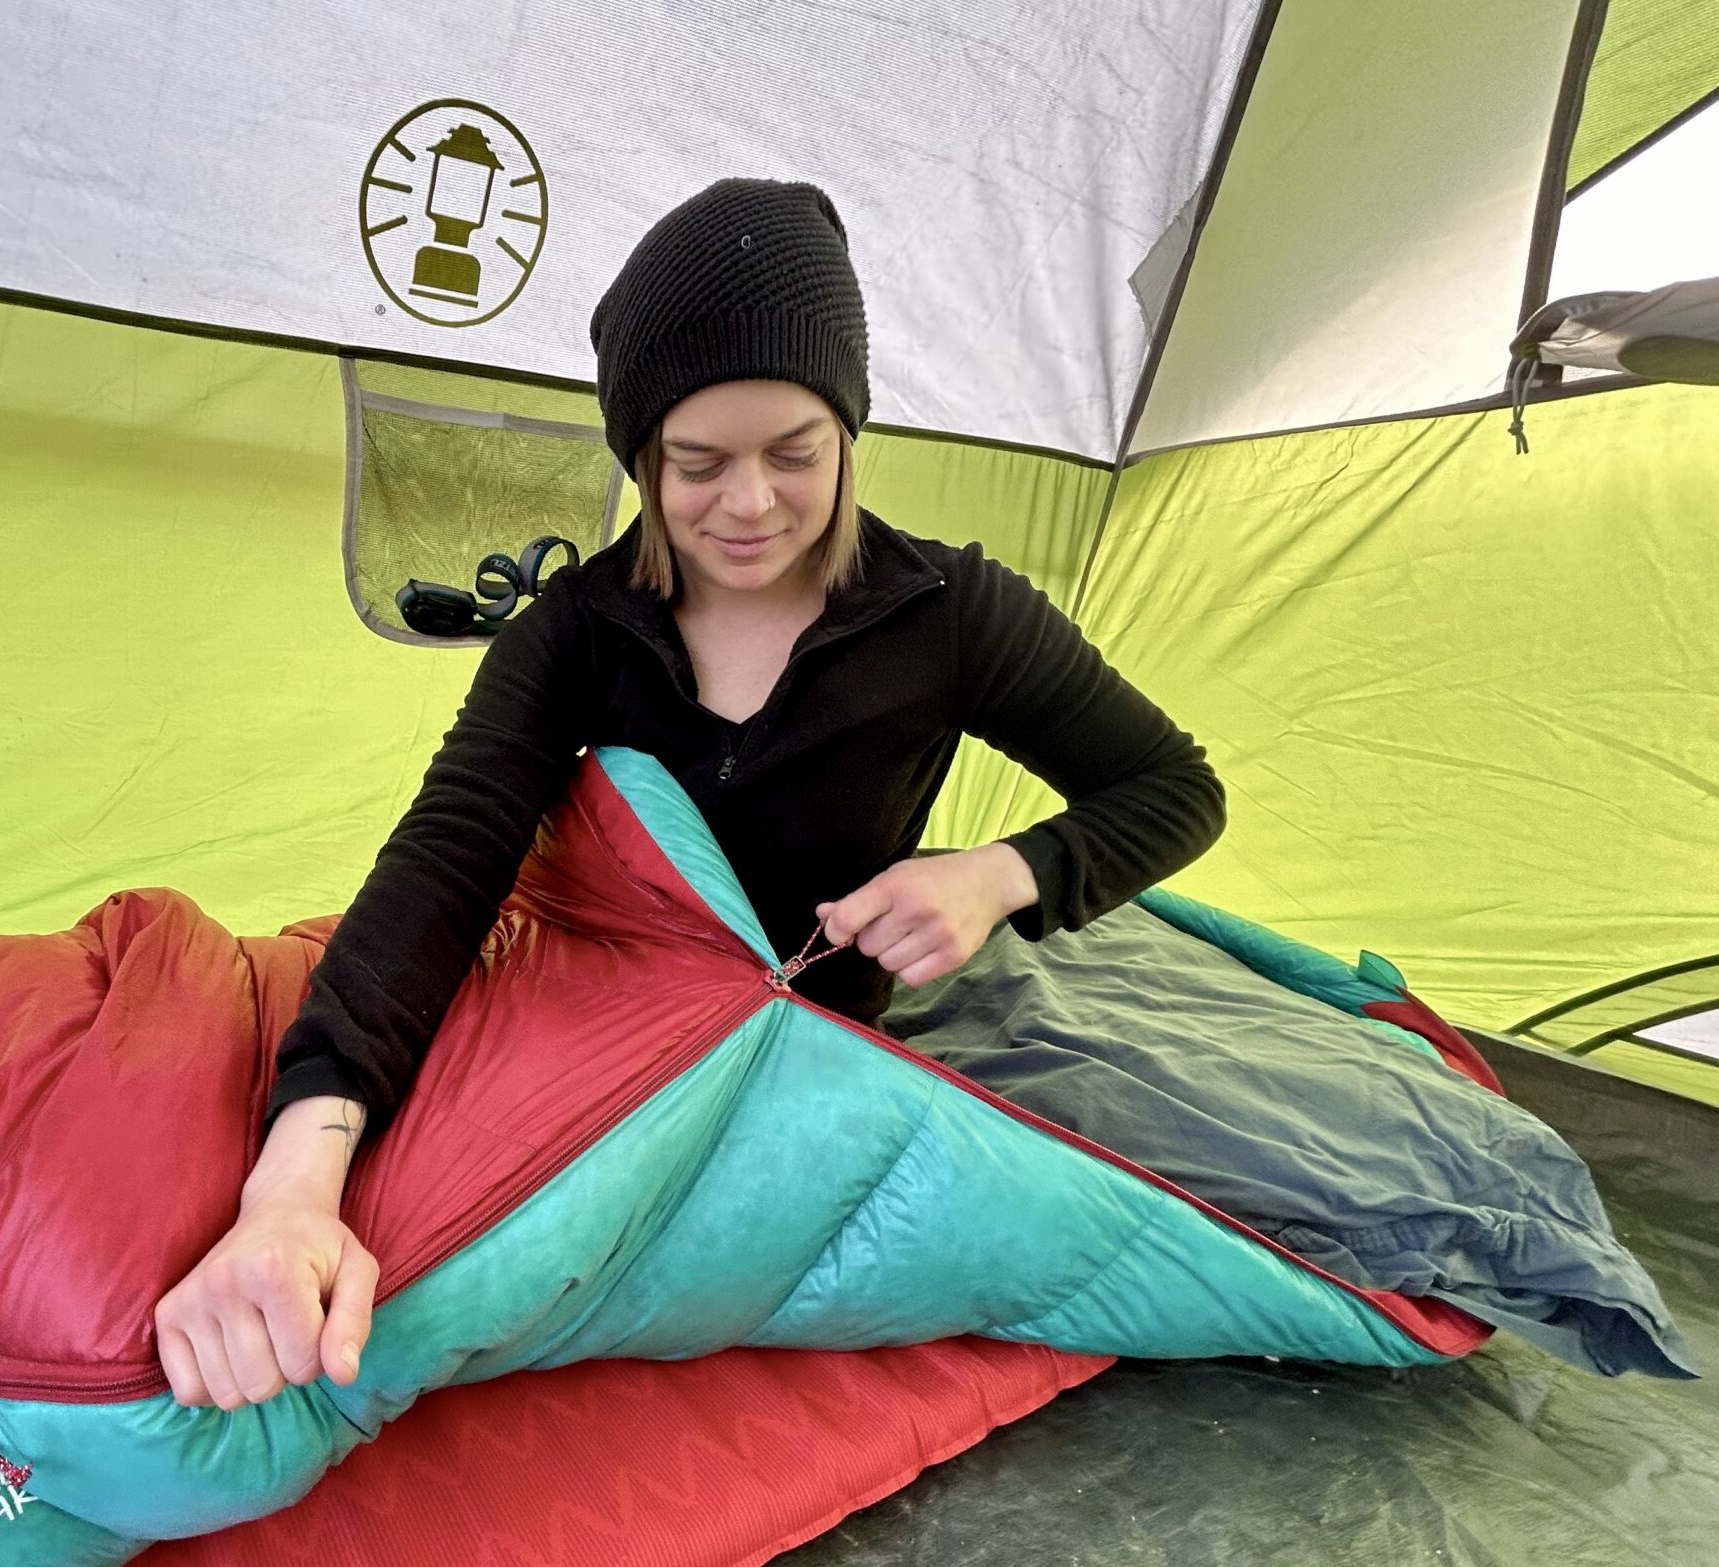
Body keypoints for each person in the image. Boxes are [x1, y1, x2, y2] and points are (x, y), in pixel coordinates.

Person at [153, 177, 1225, 1410]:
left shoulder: (952, 614)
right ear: (642, 459)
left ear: (850, 437)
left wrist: (1001, 876)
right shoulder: (576, 634)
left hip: (794, 1068)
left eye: (796, 454)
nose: (751, 504)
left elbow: (1172, 789)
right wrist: (293, 1182)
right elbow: (443, 868)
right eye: (697, 464)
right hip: (589, 1035)